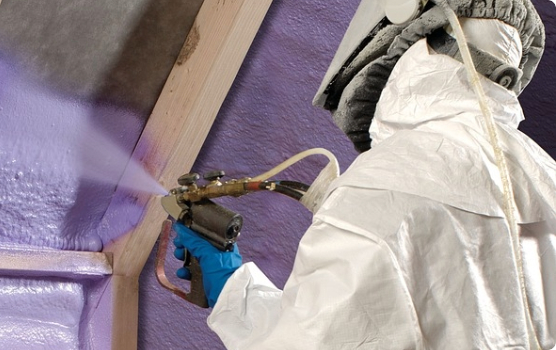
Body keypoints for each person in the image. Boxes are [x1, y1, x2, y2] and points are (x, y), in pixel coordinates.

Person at [173, 0, 555, 348]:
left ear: (407, 24)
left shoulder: (387, 185)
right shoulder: (545, 177)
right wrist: (233, 292)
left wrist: (232, 295)